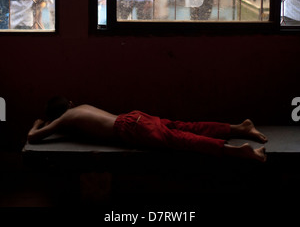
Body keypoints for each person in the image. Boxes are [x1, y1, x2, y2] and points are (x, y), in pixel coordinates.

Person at [27, 96, 267, 162]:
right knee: (186, 127)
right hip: (134, 117)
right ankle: (240, 128)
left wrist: (41, 123)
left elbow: (33, 138)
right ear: (69, 103)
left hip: (130, 129)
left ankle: (238, 151)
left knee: (183, 140)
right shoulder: (81, 106)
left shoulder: (65, 119)